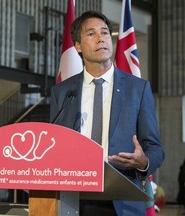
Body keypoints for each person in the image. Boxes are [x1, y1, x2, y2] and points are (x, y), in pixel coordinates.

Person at [50, 11, 165, 216]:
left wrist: (143, 162)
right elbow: (54, 144)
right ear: (77, 45)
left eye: (105, 32)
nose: (101, 38)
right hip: (74, 199)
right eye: (92, 34)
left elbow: (155, 148)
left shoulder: (137, 89)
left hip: (123, 201)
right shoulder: (62, 92)